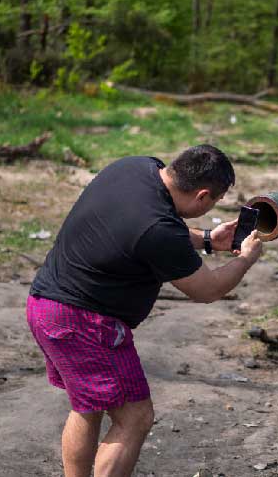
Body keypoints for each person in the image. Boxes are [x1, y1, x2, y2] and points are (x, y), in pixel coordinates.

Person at [25, 145, 263, 477]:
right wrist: (245, 258)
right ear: (203, 196)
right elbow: (208, 289)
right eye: (216, 201)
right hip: (84, 323)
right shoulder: (160, 230)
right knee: (135, 417)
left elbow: (141, 227)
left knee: (88, 406)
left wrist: (208, 239)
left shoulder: (134, 166)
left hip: (45, 305)